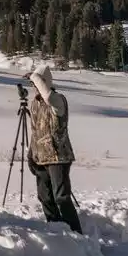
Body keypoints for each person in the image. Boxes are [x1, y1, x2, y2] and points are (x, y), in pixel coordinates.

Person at [26, 64, 83, 234]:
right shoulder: (34, 104)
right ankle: (57, 229)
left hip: (59, 157)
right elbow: (36, 131)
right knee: (45, 197)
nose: (34, 87)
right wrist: (31, 154)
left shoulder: (58, 100)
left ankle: (76, 233)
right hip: (41, 157)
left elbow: (48, 96)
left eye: (37, 83)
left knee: (61, 197)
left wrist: (35, 76)